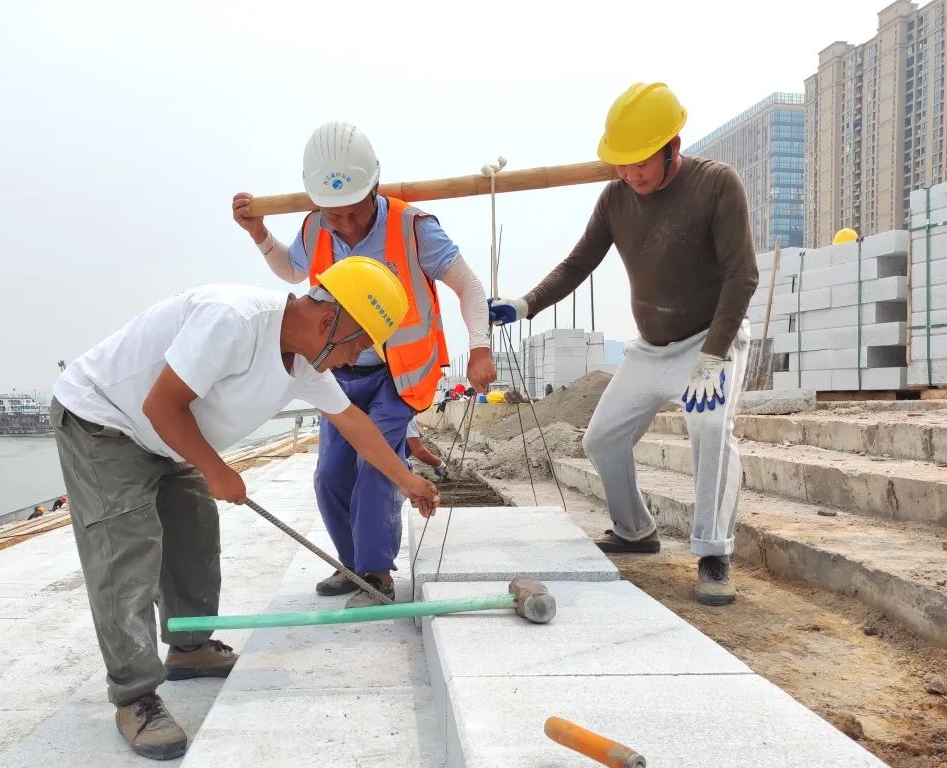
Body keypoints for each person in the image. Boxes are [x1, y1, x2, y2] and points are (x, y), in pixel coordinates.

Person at [50, 258, 439, 761]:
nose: (351, 361)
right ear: (329, 322)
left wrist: (408, 480)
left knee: (194, 536)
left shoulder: (305, 362)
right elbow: (161, 405)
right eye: (358, 346)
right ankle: (134, 696)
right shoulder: (234, 319)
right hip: (104, 420)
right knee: (126, 552)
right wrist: (216, 470)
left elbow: (354, 424)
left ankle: (189, 649)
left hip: (165, 435)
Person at [490, 82, 757, 607]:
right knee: (601, 440)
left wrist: (713, 358)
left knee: (710, 428)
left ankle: (713, 554)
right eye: (621, 163)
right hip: (650, 349)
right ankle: (635, 531)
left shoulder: (716, 185)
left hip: (709, 342)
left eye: (640, 163)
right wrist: (524, 305)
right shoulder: (615, 198)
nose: (630, 174)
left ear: (672, 147)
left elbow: (741, 277)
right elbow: (577, 264)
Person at [233, 121, 496, 608]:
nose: (347, 225)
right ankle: (353, 565)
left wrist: (479, 346)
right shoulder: (315, 226)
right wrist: (260, 235)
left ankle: (377, 574)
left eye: (355, 212)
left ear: (375, 188)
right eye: (335, 216)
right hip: (338, 371)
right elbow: (291, 270)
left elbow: (469, 286)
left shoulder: (414, 227)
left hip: (401, 375)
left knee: (377, 467)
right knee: (331, 474)